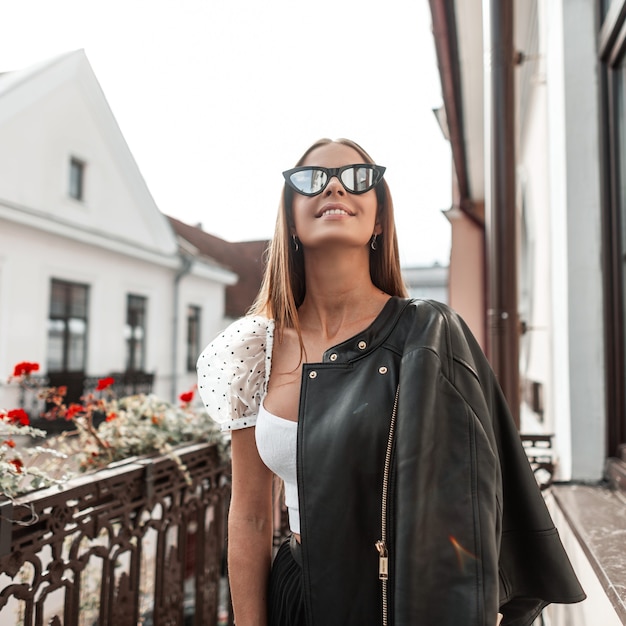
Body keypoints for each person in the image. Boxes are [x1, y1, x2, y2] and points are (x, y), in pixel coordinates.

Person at [197, 138, 585, 626]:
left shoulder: (428, 334)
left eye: (358, 178)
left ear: (379, 219)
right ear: (290, 218)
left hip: (398, 599)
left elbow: (473, 501)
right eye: (311, 179)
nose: (334, 186)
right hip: (296, 592)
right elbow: (251, 515)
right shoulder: (256, 349)